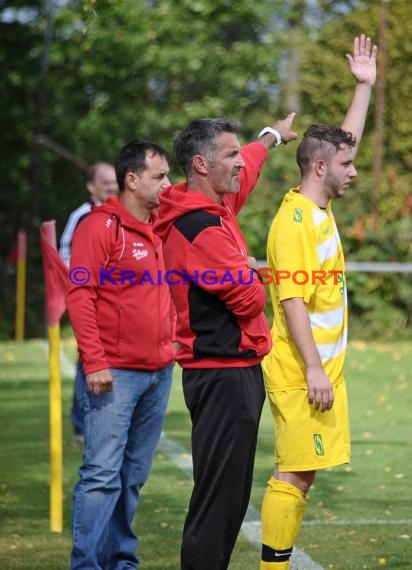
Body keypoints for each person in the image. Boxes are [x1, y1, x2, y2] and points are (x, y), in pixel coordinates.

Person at [154, 114, 297, 570]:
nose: (239, 163)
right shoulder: (202, 227)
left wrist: (269, 139)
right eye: (228, 154)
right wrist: (249, 270)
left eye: (238, 152)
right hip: (222, 375)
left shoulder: (214, 206)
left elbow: (249, 170)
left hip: (230, 372)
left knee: (228, 498)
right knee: (218, 504)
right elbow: (251, 299)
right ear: (200, 164)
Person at [260, 35, 377, 569]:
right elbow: (292, 303)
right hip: (301, 371)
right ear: (319, 168)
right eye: (347, 164)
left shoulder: (318, 205)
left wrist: (363, 86)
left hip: (322, 368)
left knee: (301, 475)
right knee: (294, 472)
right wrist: (312, 369)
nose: (353, 170)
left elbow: (342, 140)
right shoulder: (296, 222)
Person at [66, 140, 175, 570]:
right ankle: (88, 565)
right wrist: (94, 362)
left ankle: (121, 562)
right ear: (132, 180)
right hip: (114, 374)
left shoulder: (159, 225)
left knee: (132, 478)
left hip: (159, 373)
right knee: (101, 477)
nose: (168, 184)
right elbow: (80, 294)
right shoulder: (99, 227)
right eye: (160, 176)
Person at [60, 162, 118, 442]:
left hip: (114, 304)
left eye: (113, 180)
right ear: (90, 186)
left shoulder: (119, 214)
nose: (110, 185)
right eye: (104, 181)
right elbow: (66, 255)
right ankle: (81, 426)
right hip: (90, 300)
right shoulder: (82, 216)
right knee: (89, 360)